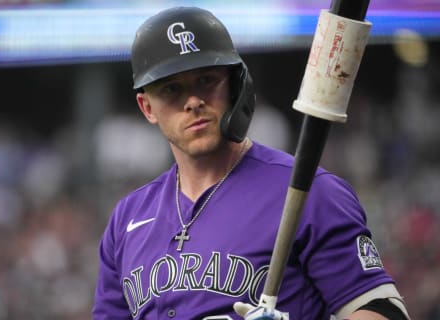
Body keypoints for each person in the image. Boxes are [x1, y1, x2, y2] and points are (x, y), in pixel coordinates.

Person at [93, 6, 410, 320]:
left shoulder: (310, 193)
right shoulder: (126, 220)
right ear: (147, 107)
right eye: (172, 89)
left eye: (206, 80)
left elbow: (385, 312)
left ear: (236, 85)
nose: (193, 101)